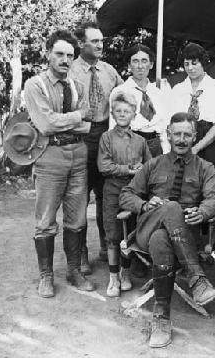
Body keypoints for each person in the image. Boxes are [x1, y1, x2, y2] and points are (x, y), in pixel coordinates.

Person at [120, 112, 215, 348]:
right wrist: (145, 205)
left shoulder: (205, 167)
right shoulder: (153, 164)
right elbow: (126, 194)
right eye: (177, 134)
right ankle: (197, 279)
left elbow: (214, 199)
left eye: (187, 134)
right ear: (168, 134)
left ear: (195, 136)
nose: (182, 139)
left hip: (185, 234)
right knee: (170, 209)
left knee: (161, 240)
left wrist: (204, 212)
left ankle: (161, 318)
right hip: (147, 228)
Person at [24, 29, 96, 298]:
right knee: (45, 220)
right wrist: (76, 116)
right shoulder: (35, 85)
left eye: (69, 55)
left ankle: (74, 271)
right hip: (49, 156)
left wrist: (67, 121)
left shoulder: (78, 85)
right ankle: (46, 276)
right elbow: (44, 124)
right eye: (59, 54)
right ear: (48, 54)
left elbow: (89, 124)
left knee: (77, 217)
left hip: (78, 155)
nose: (65, 60)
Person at [69, 21, 124, 272]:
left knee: (107, 196)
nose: (101, 45)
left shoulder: (110, 71)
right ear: (81, 44)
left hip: (105, 136)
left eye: (102, 40)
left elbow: (127, 97)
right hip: (80, 137)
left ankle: (107, 245)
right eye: (95, 41)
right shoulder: (70, 71)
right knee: (80, 196)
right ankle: (81, 254)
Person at [98, 93, 151, 297]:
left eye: (126, 111)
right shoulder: (106, 138)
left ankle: (125, 273)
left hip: (134, 192)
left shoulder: (140, 141)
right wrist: (128, 170)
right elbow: (104, 166)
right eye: (118, 111)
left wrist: (142, 169)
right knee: (113, 234)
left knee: (129, 234)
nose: (122, 114)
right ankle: (113, 278)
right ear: (112, 113)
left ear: (134, 114)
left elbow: (150, 166)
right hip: (112, 190)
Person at [171, 43, 215, 193]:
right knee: (186, 189)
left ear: (203, 62)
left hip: (210, 142)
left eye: (194, 63)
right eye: (186, 64)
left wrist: (197, 148)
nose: (190, 68)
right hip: (184, 140)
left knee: (213, 187)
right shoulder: (178, 90)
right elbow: (172, 122)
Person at [109, 44, 171, 157]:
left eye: (144, 61)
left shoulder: (158, 92)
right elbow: (113, 127)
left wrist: (166, 151)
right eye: (135, 61)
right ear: (129, 65)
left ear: (151, 64)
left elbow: (164, 125)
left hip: (155, 145)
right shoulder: (120, 92)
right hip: (131, 144)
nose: (140, 66)